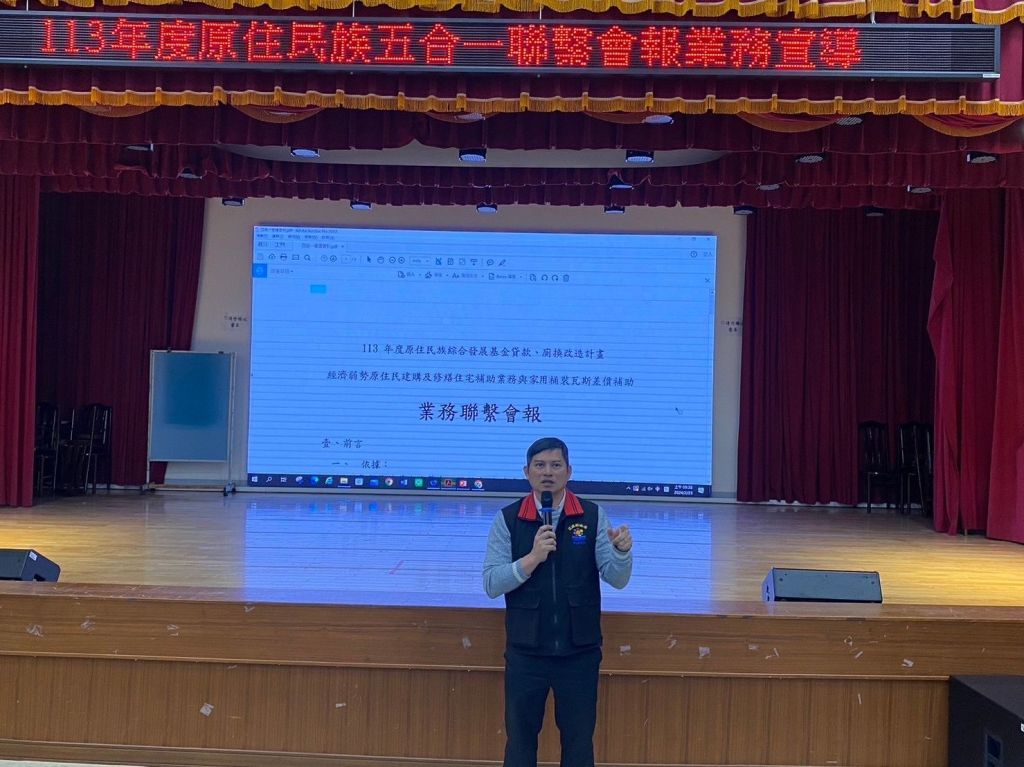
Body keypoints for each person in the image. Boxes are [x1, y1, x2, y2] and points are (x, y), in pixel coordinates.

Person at [483, 437, 633, 767]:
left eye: (555, 465)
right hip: (526, 654)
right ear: (526, 472)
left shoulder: (592, 516)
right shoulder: (508, 519)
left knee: (579, 745)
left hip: (579, 653)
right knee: (520, 744)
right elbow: (492, 583)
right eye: (539, 465)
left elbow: (617, 578)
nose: (547, 472)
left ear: (569, 471)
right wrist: (532, 558)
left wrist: (621, 552)